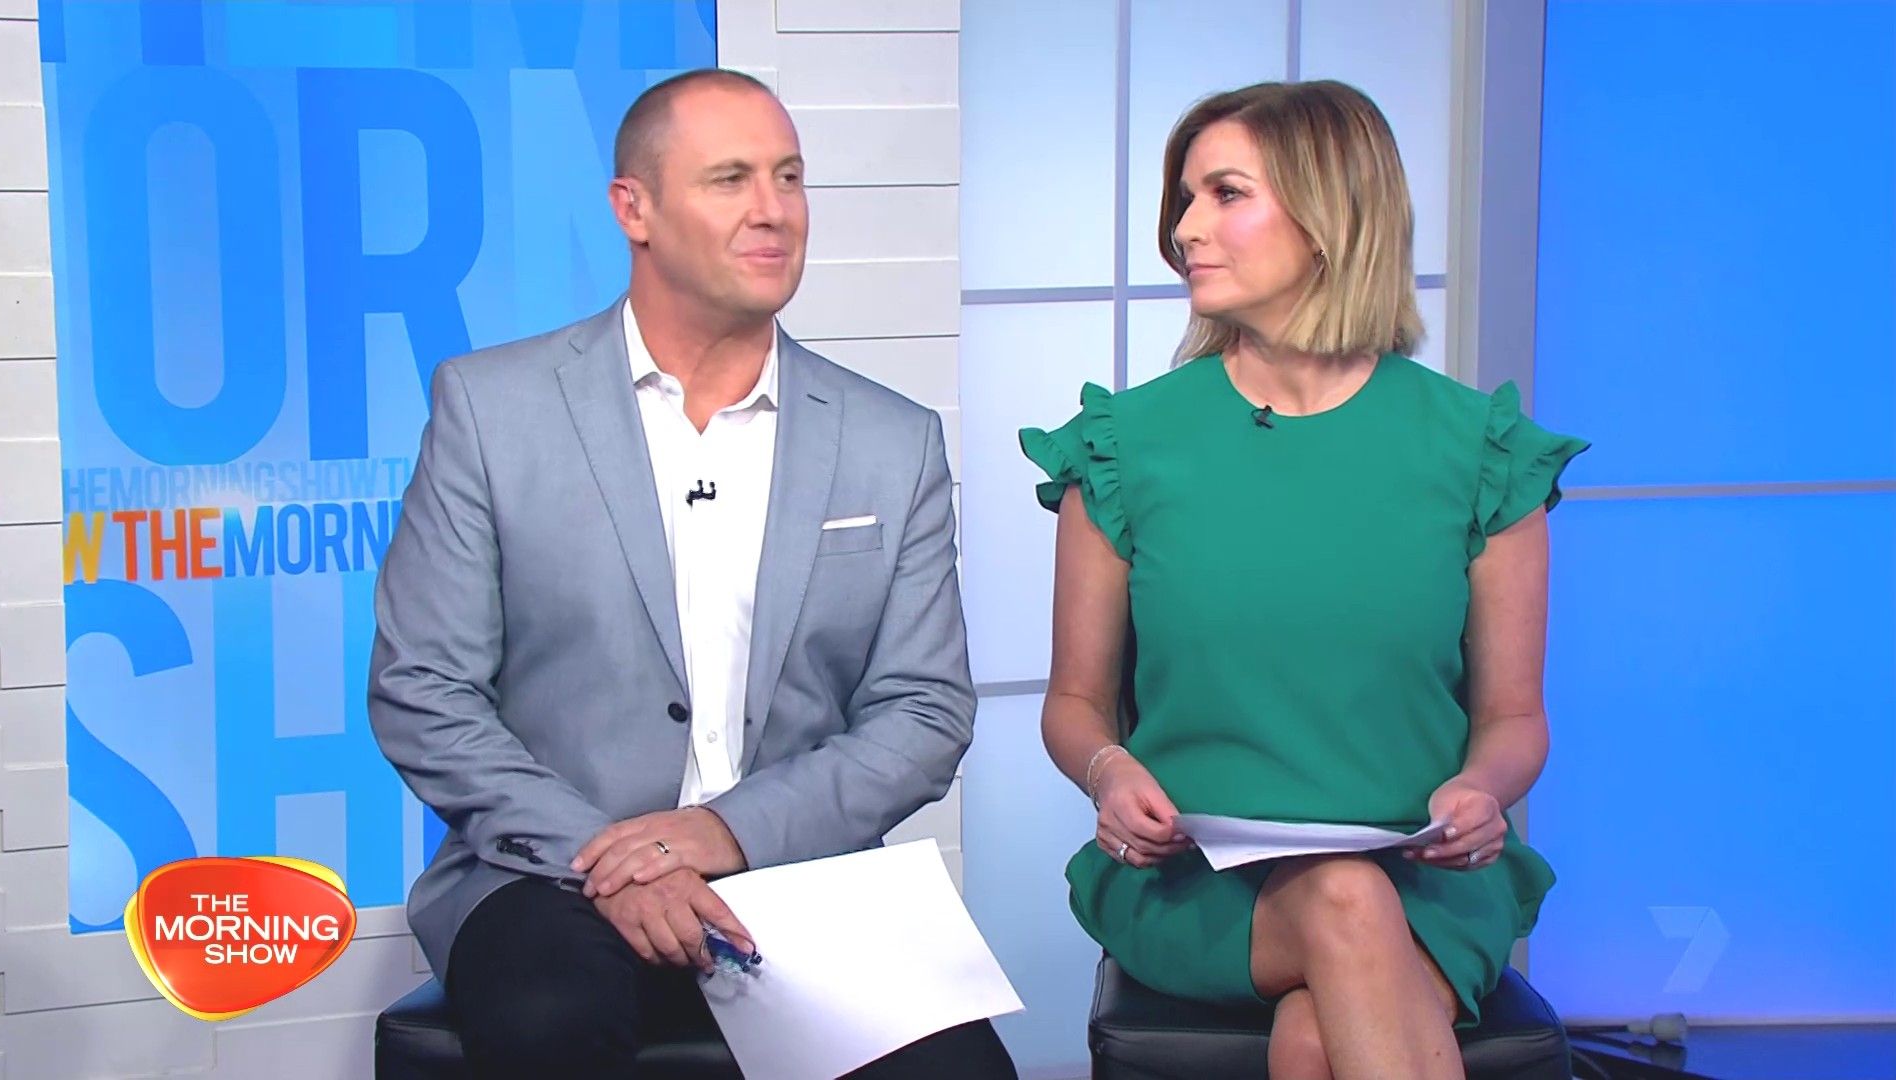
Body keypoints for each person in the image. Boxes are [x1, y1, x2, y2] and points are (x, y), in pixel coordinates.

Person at [370, 68, 1015, 1078]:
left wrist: (719, 833)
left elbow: (924, 712)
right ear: (634, 209)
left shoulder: (893, 440)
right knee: (549, 1022)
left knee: (960, 1073)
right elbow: (425, 691)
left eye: (789, 177)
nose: (774, 210)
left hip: (795, 870)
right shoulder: (492, 410)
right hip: (547, 874)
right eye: (730, 179)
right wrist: (617, 859)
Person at [1018, 80, 1587, 1080]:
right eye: (1185, 199)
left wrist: (1481, 789)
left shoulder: (1482, 451)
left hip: (1421, 879)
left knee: (1320, 1023)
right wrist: (1108, 773)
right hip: (1198, 884)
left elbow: (1513, 719)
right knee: (1342, 901)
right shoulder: (1119, 447)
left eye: (1225, 194)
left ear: (1330, 216)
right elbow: (1075, 705)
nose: (1184, 229)